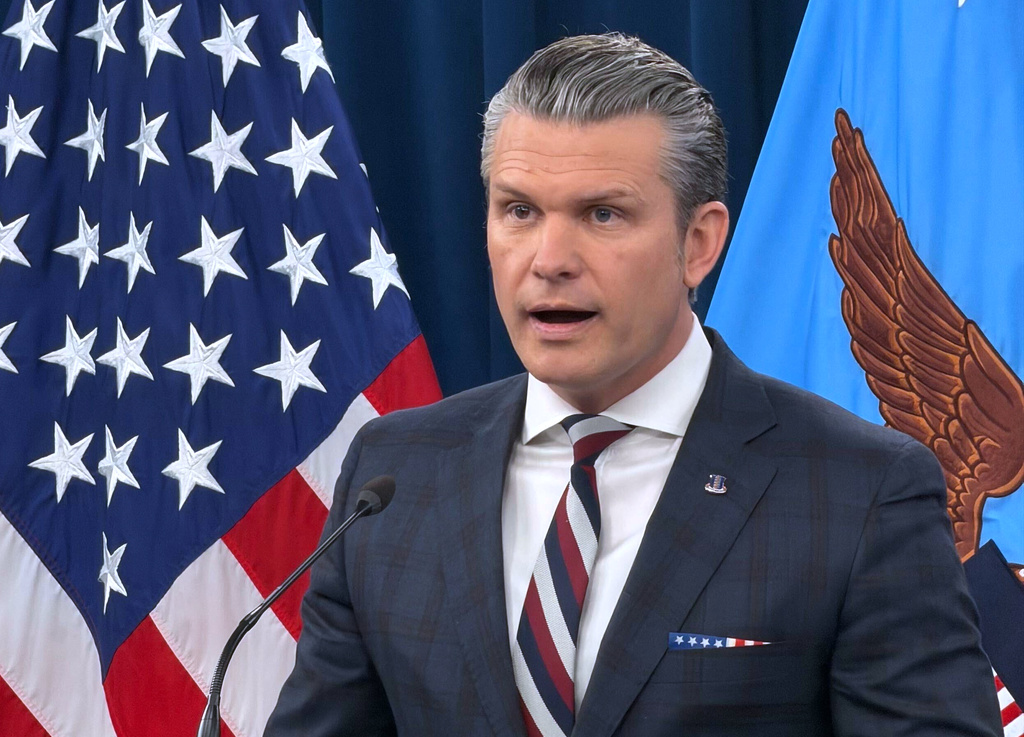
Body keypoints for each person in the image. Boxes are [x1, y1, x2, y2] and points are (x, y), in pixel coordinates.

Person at [265, 33, 1001, 736]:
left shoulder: (860, 491)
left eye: (602, 214)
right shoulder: (394, 474)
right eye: (519, 211)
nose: (549, 258)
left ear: (699, 242)